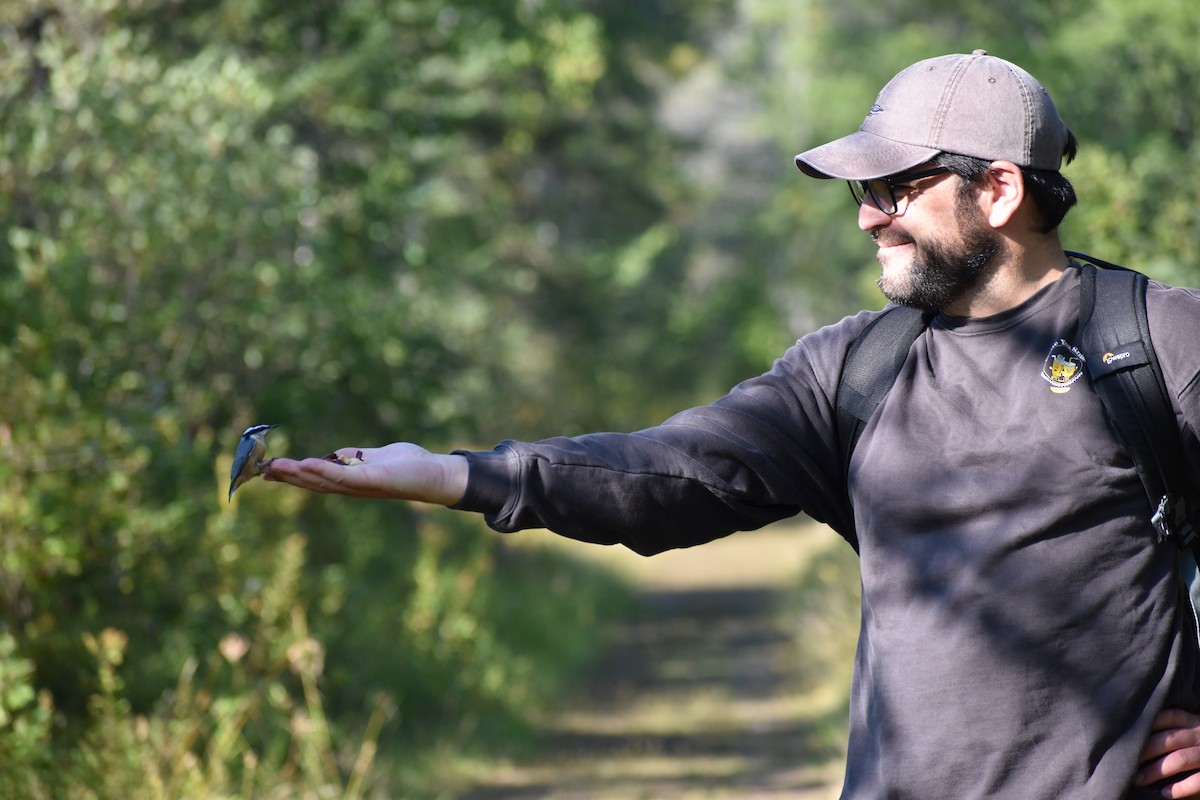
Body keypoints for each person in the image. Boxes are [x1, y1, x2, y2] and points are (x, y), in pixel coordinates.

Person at [264, 51, 1200, 798]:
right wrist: (457, 476)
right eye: (860, 194)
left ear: (998, 191)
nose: (869, 219)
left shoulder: (1155, 343)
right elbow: (669, 473)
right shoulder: (855, 370)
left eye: (896, 189)